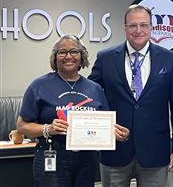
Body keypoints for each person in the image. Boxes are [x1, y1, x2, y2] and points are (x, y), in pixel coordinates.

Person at [88, 4, 173, 187]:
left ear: (151, 27)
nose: (138, 30)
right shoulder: (105, 57)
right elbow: (91, 96)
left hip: (155, 148)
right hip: (115, 148)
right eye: (133, 25)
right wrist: (102, 125)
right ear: (125, 28)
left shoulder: (169, 58)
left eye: (143, 25)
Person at [16, 35, 129, 187]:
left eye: (74, 51)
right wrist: (48, 129)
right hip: (52, 155)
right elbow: (22, 126)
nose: (68, 56)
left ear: (82, 57)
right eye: (62, 52)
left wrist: (116, 133)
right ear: (55, 57)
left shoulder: (94, 88)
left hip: (87, 159)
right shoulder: (39, 85)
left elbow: (105, 125)